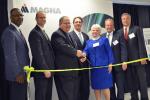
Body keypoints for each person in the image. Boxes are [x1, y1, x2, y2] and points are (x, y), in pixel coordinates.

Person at [51, 16, 85, 100]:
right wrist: (76, 52)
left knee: (74, 96)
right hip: (65, 73)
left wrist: (80, 57)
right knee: (67, 96)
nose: (68, 25)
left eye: (69, 23)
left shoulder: (68, 34)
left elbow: (74, 49)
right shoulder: (57, 34)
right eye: (65, 23)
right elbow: (63, 47)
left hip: (73, 73)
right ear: (60, 24)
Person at [118, 13, 148, 100]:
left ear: (130, 19)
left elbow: (141, 44)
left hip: (138, 60)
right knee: (131, 82)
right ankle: (134, 97)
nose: (125, 20)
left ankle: (144, 97)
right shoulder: (119, 32)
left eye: (127, 18)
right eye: (123, 19)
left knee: (142, 81)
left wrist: (143, 57)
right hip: (127, 62)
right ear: (121, 20)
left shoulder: (136, 29)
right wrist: (123, 60)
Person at [1, 8, 30, 100]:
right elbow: (10, 56)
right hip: (17, 77)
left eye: (21, 15)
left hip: (23, 74)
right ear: (11, 17)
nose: (19, 17)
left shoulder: (18, 31)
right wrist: (18, 73)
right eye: (16, 15)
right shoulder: (9, 32)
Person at [28, 11, 54, 100]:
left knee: (47, 96)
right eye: (41, 17)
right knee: (41, 96)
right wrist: (45, 69)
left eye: (44, 17)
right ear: (36, 19)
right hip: (42, 72)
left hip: (48, 71)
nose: (43, 19)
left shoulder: (43, 31)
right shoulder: (34, 33)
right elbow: (38, 54)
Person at [84, 24, 114, 100]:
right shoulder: (88, 42)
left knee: (105, 87)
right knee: (96, 87)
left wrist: (110, 63)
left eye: (97, 30)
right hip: (94, 69)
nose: (95, 31)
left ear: (100, 31)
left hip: (104, 68)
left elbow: (109, 52)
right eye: (93, 30)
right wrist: (83, 55)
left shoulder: (104, 40)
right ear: (91, 31)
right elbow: (85, 51)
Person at [102, 18, 127, 100]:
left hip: (118, 66)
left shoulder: (119, 34)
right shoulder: (102, 37)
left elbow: (123, 49)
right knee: (110, 87)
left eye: (110, 25)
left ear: (113, 26)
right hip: (107, 67)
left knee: (120, 87)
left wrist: (124, 61)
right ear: (105, 26)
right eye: (107, 25)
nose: (108, 27)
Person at [69, 16, 90, 100]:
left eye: (79, 22)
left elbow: (88, 49)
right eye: (76, 22)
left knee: (85, 89)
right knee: (76, 90)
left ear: (82, 23)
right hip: (75, 67)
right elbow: (69, 51)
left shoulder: (86, 36)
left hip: (85, 66)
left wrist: (86, 56)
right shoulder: (69, 35)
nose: (78, 23)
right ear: (73, 24)